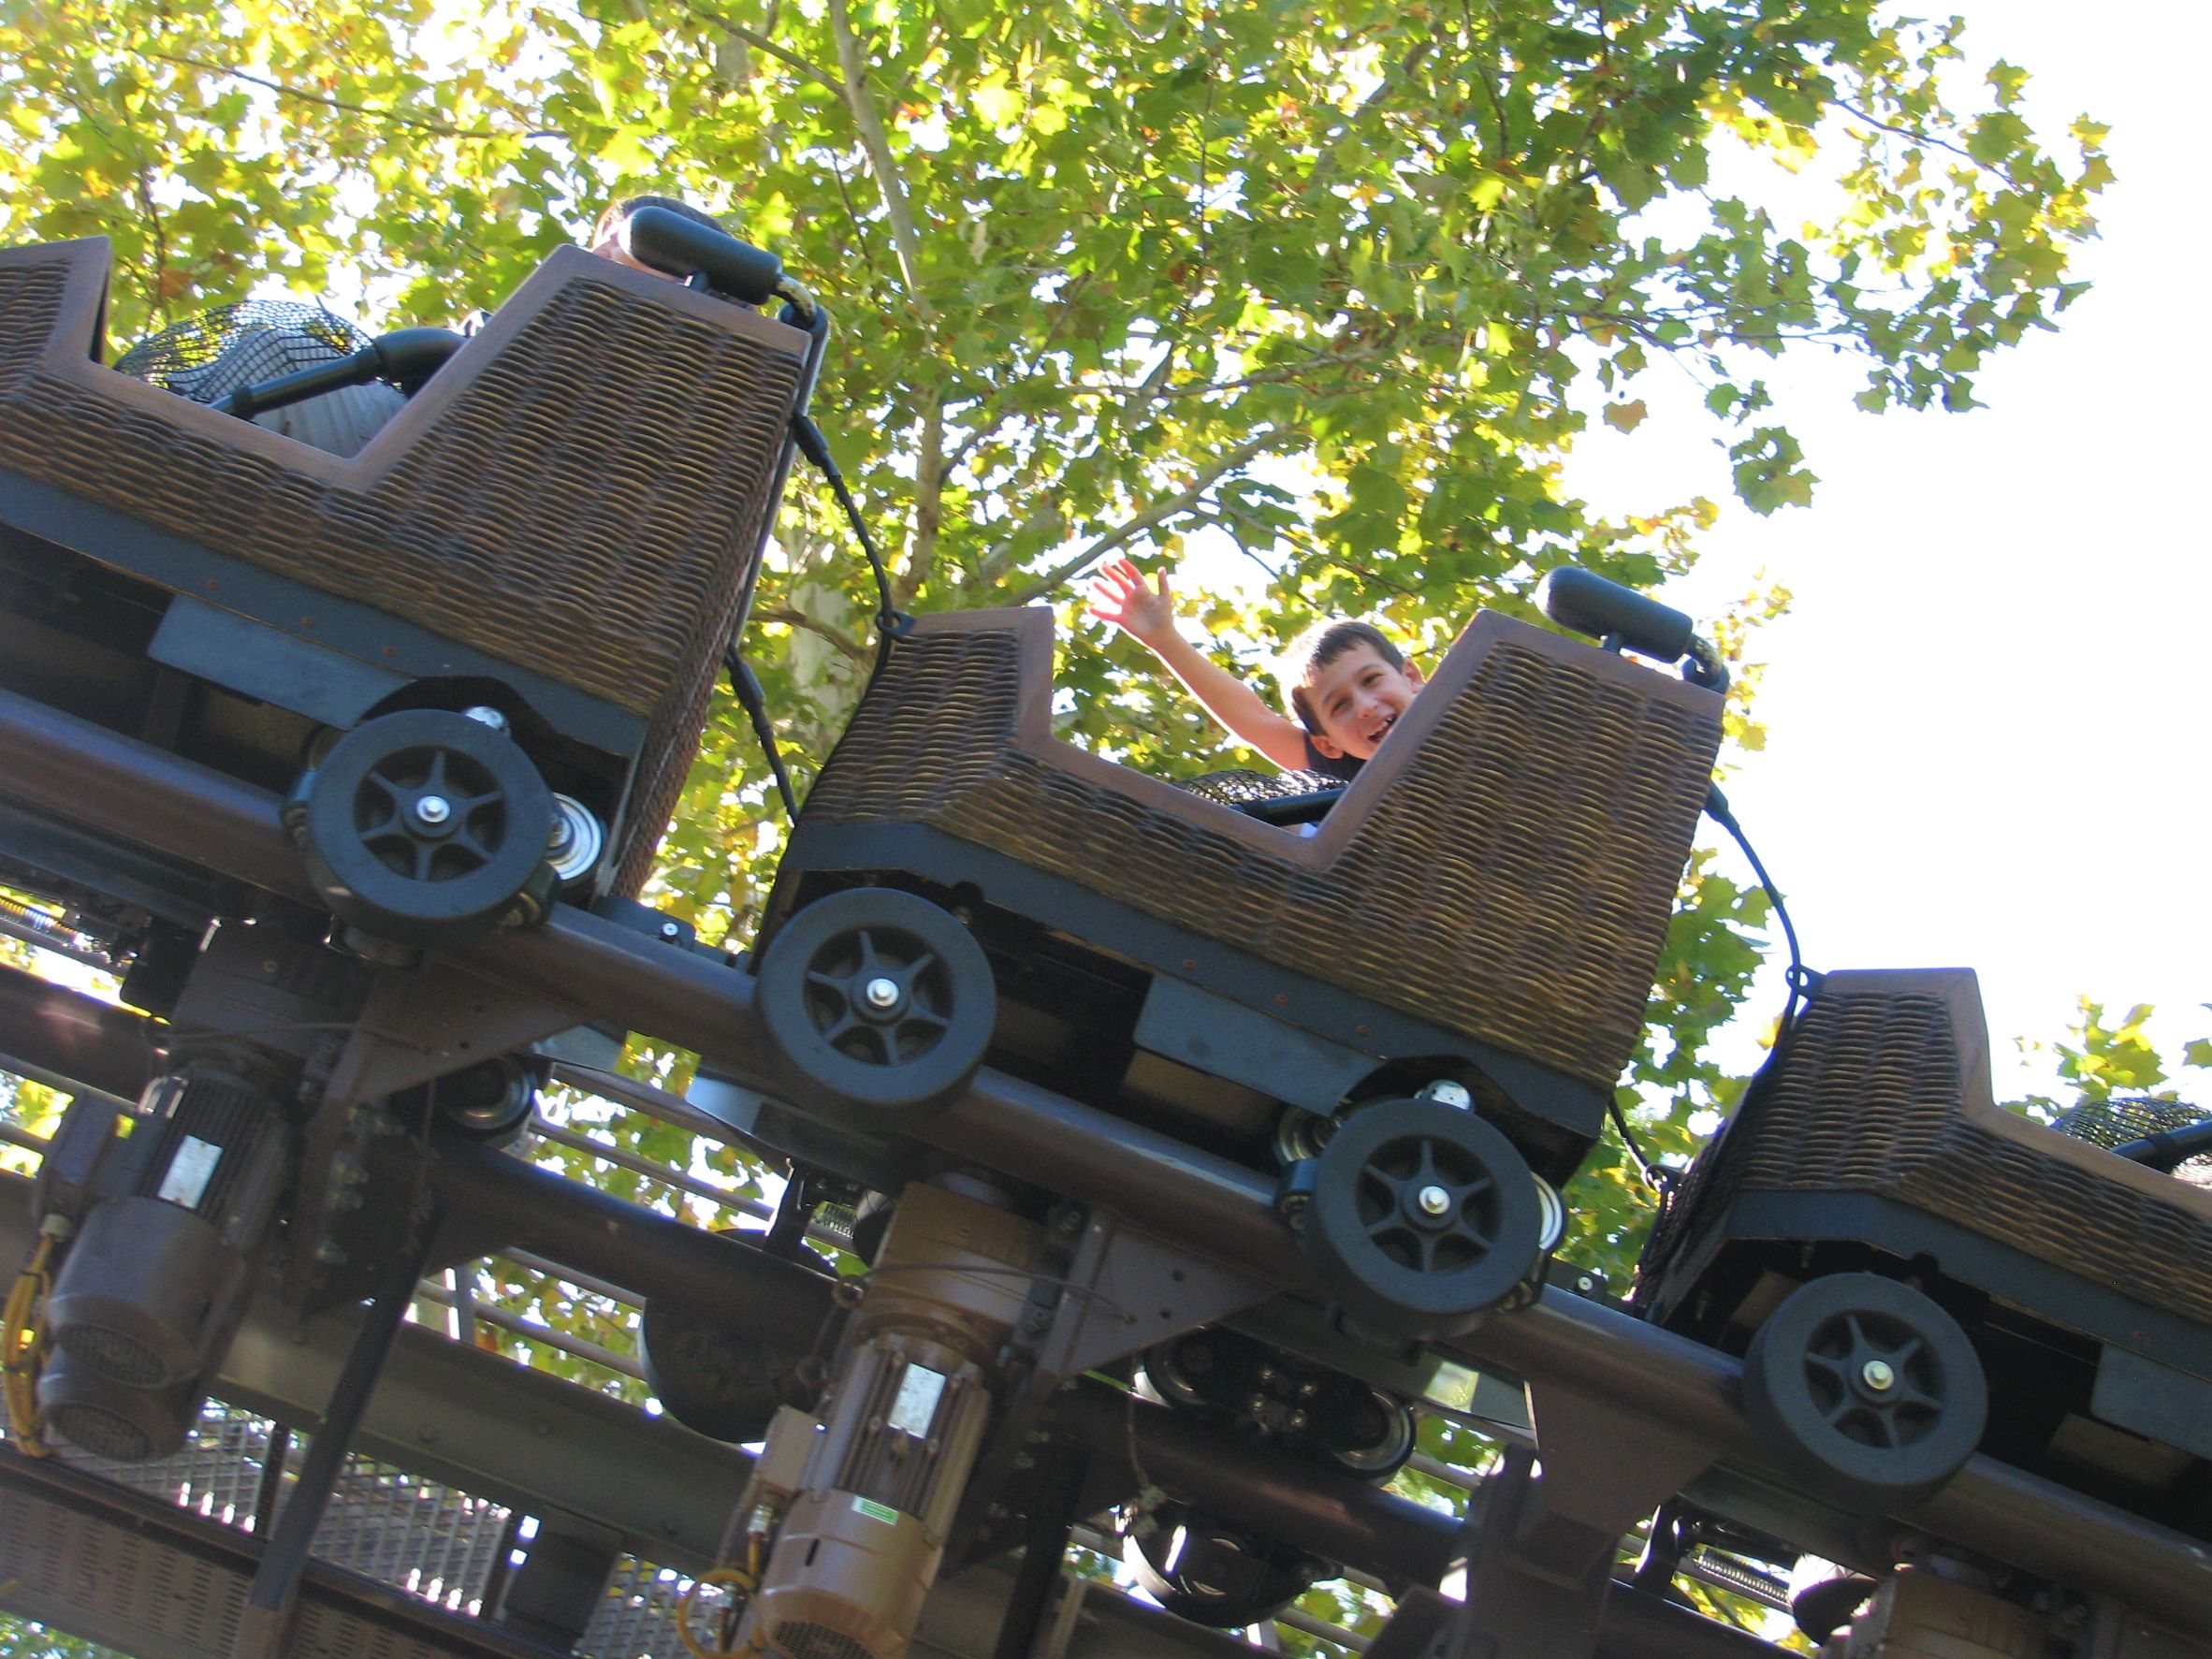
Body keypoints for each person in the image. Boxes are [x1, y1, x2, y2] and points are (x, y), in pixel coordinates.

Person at [1085, 556, 1425, 783]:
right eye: (1340, 706)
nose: (1366, 707)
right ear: (1328, 746)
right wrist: (1163, 638)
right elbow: (1254, 721)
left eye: (1371, 680)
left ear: (1411, 677)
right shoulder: (1343, 769)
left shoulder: (1465, 704)